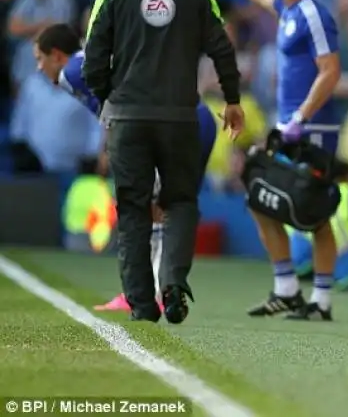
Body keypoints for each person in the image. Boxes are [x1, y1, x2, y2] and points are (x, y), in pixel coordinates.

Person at [82, 0, 243, 324]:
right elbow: (222, 49)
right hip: (179, 116)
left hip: (129, 117)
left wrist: (107, 100)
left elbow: (93, 60)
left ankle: (140, 303)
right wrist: (233, 99)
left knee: (133, 208)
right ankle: (172, 284)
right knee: (181, 201)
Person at [32, 23, 220, 313]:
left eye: (39, 59)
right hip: (196, 117)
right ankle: (156, 290)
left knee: (146, 206)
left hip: (172, 123)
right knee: (165, 209)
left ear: (56, 55)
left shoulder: (72, 72)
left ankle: (144, 293)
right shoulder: (90, 63)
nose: (38, 68)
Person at [202, 0, 343, 321]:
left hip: (312, 126)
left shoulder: (314, 15)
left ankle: (322, 300)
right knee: (258, 199)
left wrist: (300, 119)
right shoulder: (288, 9)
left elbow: (331, 72)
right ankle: (286, 289)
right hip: (289, 125)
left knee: (316, 212)